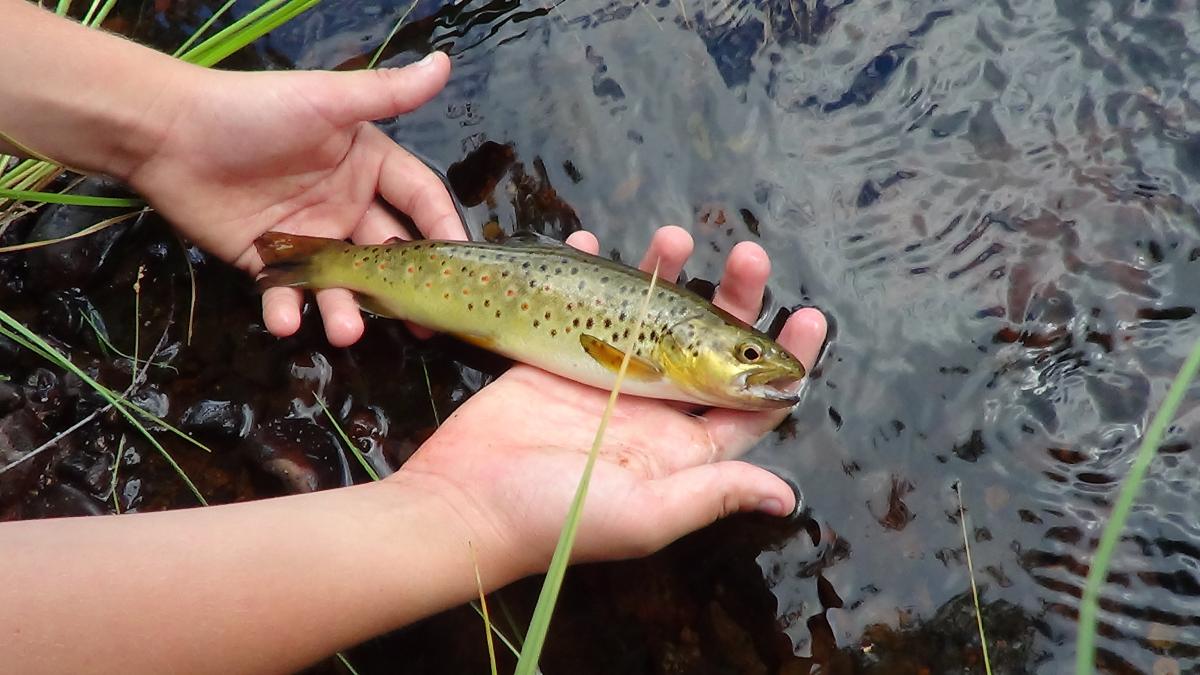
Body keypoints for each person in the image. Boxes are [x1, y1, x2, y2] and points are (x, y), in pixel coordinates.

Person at [0, 2, 829, 673]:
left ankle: (327, 268)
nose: (758, 365)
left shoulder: (669, 354)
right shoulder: (649, 359)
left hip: (464, 275)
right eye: (749, 353)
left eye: (751, 354)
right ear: (696, 342)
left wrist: (162, 124)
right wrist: (464, 520)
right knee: (377, 281)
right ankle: (329, 268)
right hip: (456, 280)